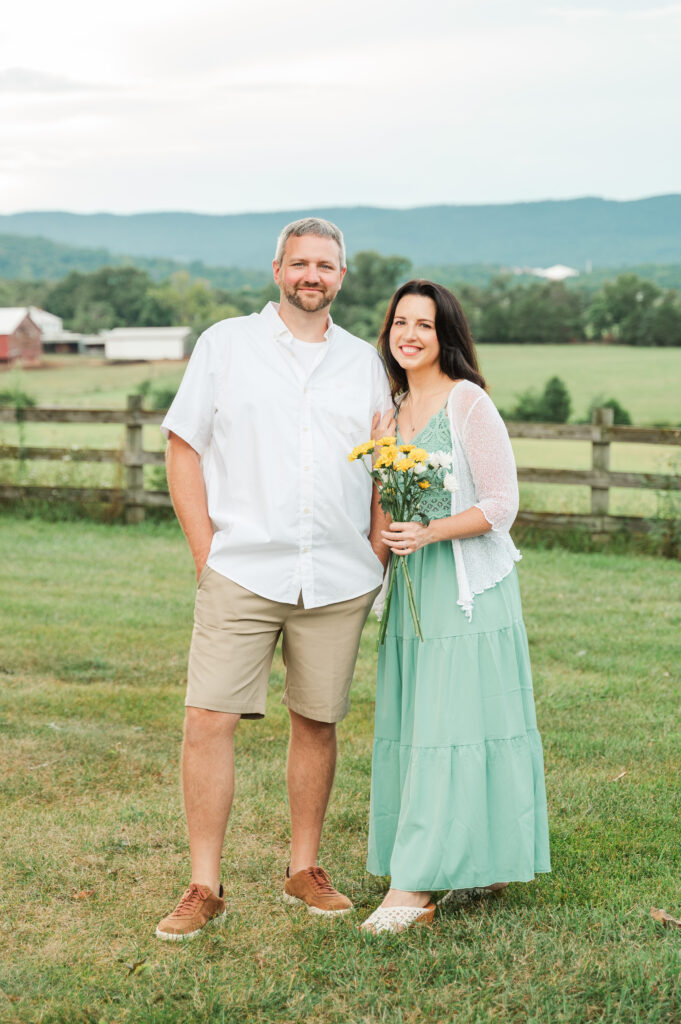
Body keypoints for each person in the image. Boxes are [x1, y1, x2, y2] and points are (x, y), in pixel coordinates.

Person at [155, 217, 391, 940]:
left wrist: (376, 553)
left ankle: (304, 869)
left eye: (324, 265)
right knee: (208, 720)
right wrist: (206, 550)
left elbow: (386, 463)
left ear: (341, 277)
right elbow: (182, 445)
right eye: (299, 263)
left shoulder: (364, 363)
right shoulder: (226, 345)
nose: (311, 276)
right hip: (243, 568)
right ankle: (203, 884)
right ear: (276, 269)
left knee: (316, 722)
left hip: (337, 576)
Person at [361, 280, 551, 935]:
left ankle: (411, 887)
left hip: (467, 592)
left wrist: (429, 531)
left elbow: (501, 504)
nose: (409, 334)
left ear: (446, 336)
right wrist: (371, 573)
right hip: (412, 594)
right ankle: (482, 858)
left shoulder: (467, 402)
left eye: (424, 324)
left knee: (455, 727)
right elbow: (385, 503)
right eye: (399, 322)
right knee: (423, 730)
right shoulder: (387, 413)